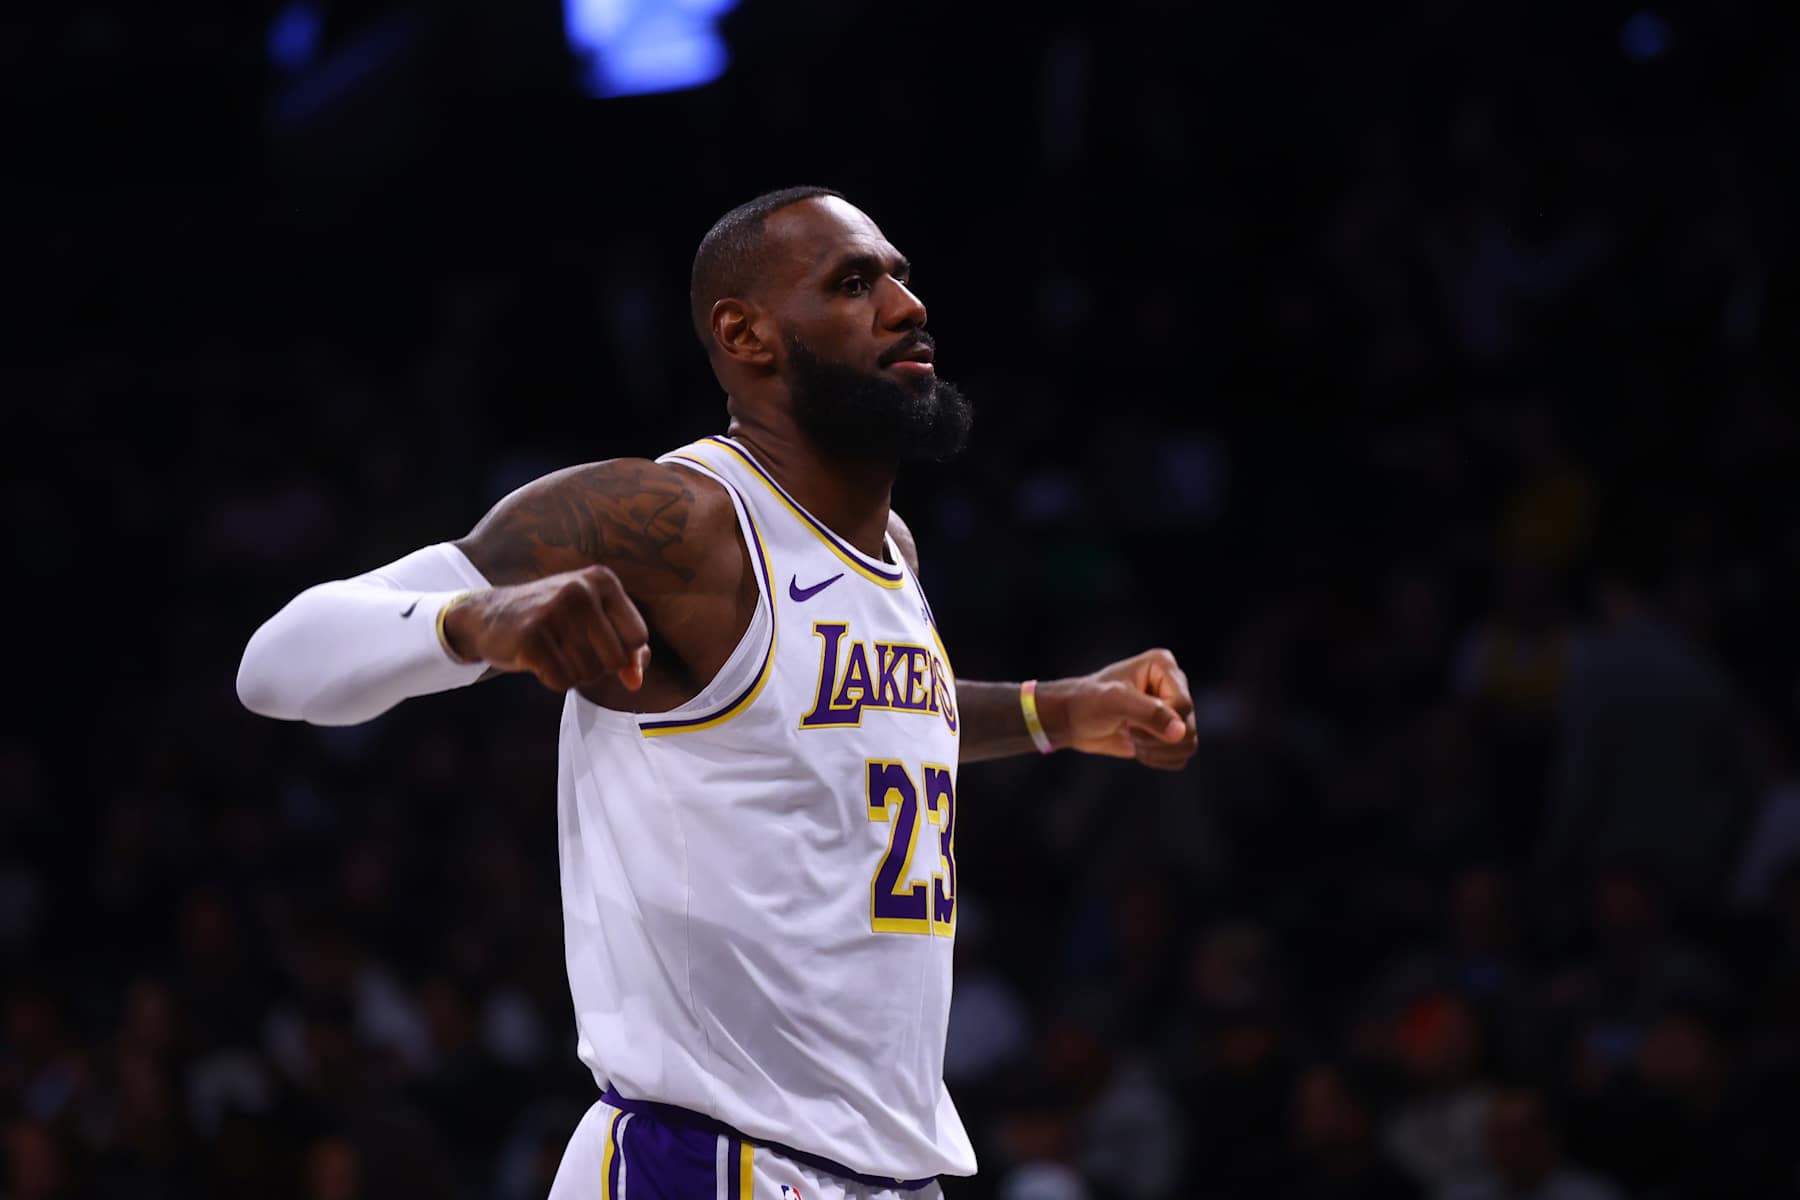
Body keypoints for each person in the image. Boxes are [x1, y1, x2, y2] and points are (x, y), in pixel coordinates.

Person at [236, 186, 1200, 1199]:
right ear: (747, 334)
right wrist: (475, 621)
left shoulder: (890, 551)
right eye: (854, 282)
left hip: (880, 1172)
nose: (907, 305)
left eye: (905, 277)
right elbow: (275, 664)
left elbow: (866, 721)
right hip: (707, 1159)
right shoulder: (676, 518)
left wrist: (1062, 710)